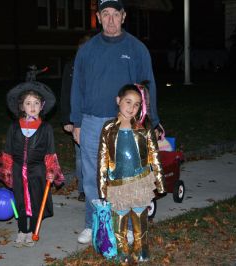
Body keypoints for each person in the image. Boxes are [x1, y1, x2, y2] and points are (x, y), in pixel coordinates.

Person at [70, 0, 163, 244]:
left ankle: (128, 224)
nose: (110, 20)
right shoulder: (87, 50)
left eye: (115, 14)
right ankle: (94, 223)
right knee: (92, 177)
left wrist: (151, 121)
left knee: (126, 176)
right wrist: (76, 122)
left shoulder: (137, 48)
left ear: (123, 16)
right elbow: (76, 88)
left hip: (126, 124)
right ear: (99, 18)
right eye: (105, 14)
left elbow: (147, 87)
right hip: (91, 123)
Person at [0, 79, 65, 247]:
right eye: (28, 103)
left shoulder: (45, 128)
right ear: (21, 106)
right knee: (20, 201)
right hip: (17, 169)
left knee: (36, 201)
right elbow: (8, 151)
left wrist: (51, 170)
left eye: (36, 103)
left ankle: (32, 231)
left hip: (37, 170)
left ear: (42, 106)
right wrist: (7, 172)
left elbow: (50, 152)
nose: (32, 107)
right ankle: (22, 229)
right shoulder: (14, 127)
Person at [97, 83, 166, 263]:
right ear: (118, 101)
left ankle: (141, 249)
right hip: (117, 182)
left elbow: (154, 155)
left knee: (140, 218)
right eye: (128, 102)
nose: (131, 108)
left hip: (140, 181)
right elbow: (103, 158)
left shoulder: (144, 129)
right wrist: (102, 187)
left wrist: (159, 180)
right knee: (118, 219)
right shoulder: (108, 128)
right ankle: (121, 251)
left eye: (136, 104)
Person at [60, 34, 91, 202]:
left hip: (94, 116)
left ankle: (99, 186)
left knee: (96, 155)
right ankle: (83, 189)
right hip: (77, 117)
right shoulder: (71, 67)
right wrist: (67, 119)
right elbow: (65, 93)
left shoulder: (97, 66)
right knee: (80, 156)